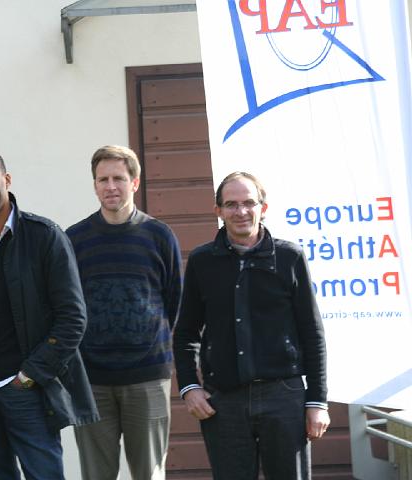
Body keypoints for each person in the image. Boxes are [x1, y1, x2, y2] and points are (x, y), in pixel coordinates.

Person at [0, 149, 99, 479]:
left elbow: (73, 317)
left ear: (7, 180)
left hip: (25, 389)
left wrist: (31, 375)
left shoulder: (44, 236)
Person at [172, 171, 329, 480]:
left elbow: (312, 334)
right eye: (231, 204)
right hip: (224, 400)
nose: (240, 211)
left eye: (248, 203)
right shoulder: (203, 262)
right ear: (218, 211)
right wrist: (189, 387)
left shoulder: (289, 257)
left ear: (263, 208)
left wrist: (317, 401)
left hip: (284, 396)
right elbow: (186, 333)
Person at [66, 145, 182, 480]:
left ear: (135, 182)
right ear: (94, 185)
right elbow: (66, 305)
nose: (110, 186)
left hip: (147, 377)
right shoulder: (74, 239)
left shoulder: (159, 236)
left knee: (149, 473)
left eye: (118, 178)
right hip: (91, 381)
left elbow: (174, 301)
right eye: (103, 179)